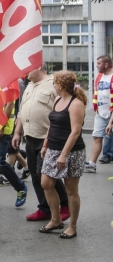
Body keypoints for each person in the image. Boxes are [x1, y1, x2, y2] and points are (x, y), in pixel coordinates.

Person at [12, 65, 70, 222]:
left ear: (38, 67)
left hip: (48, 137)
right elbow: (22, 112)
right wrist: (17, 132)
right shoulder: (29, 85)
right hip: (30, 136)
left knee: (46, 174)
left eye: (27, 69)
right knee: (36, 174)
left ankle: (65, 204)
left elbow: (63, 109)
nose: (24, 72)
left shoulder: (53, 83)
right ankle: (45, 208)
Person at [39, 71, 86, 239]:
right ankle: (56, 219)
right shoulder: (58, 100)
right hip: (53, 149)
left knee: (70, 190)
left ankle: (72, 226)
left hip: (72, 152)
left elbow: (75, 132)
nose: (53, 86)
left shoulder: (76, 104)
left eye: (54, 83)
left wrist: (63, 155)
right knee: (46, 183)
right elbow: (52, 125)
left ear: (60, 85)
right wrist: (46, 144)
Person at [86, 55, 113, 173]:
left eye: (98, 64)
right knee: (97, 137)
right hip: (101, 113)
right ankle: (92, 164)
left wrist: (110, 122)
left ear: (106, 64)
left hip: (111, 113)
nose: (96, 66)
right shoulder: (99, 77)